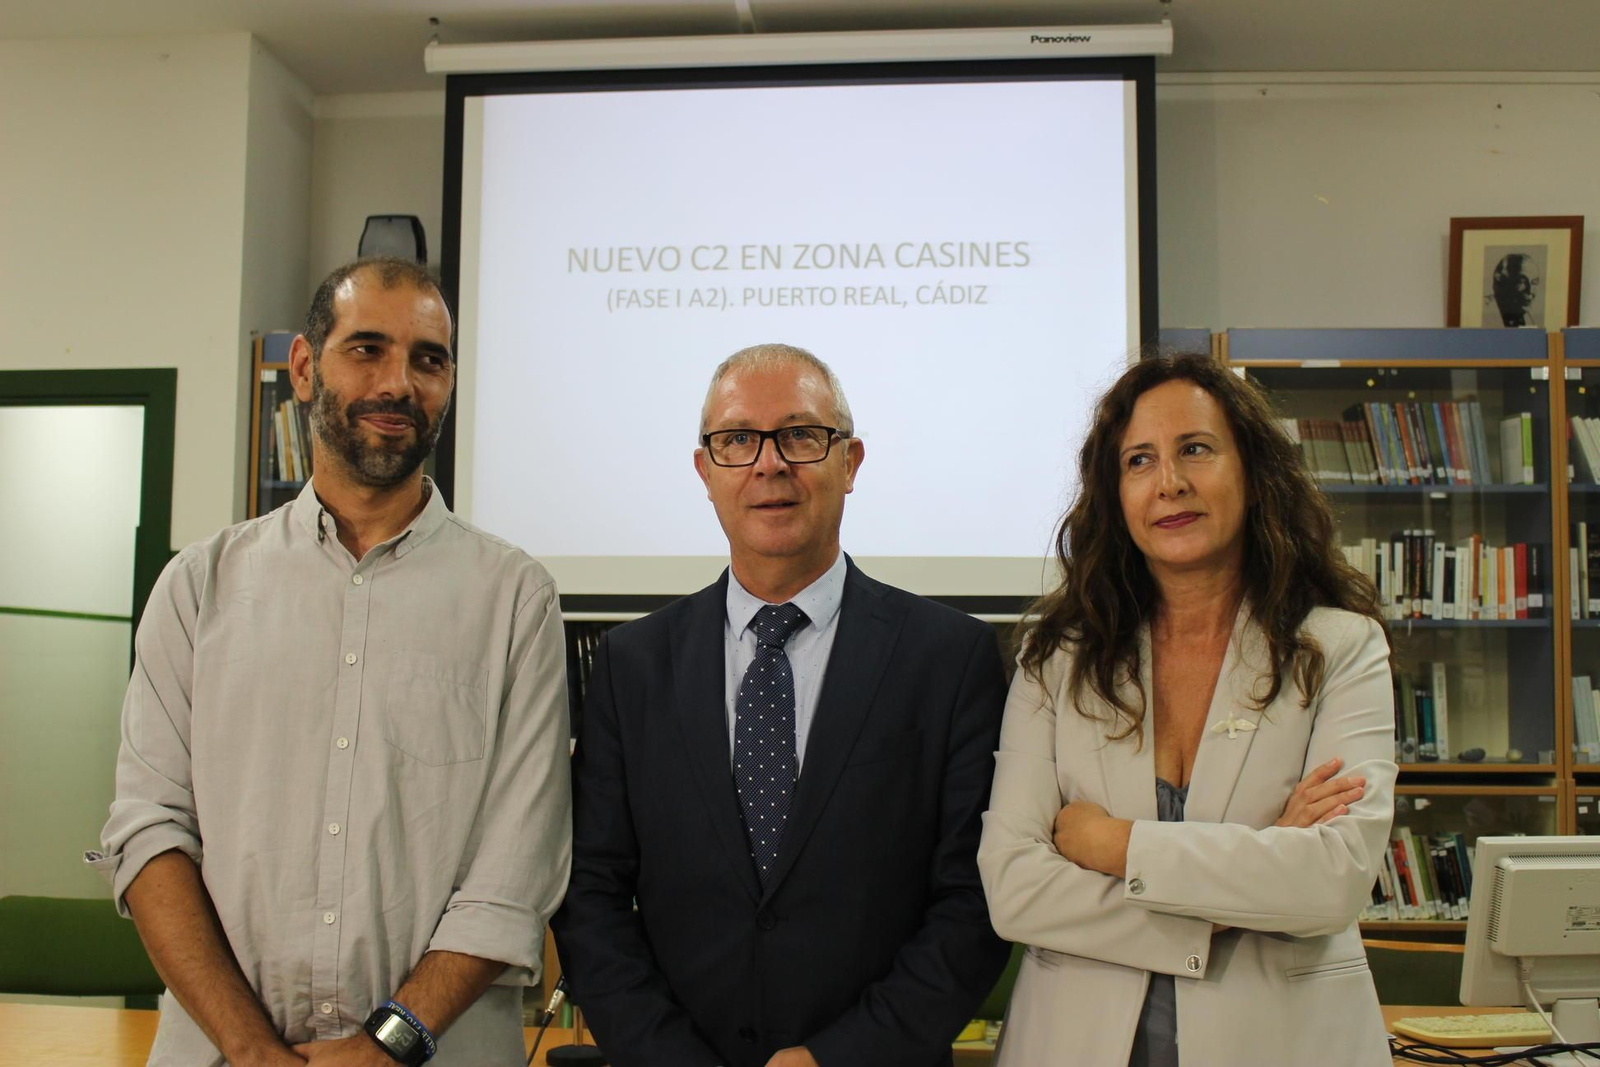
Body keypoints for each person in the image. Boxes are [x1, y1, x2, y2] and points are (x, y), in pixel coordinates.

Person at [90, 257, 572, 1066]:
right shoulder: (199, 586)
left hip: (437, 1052)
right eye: (368, 349)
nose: (399, 383)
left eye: (429, 358)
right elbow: (149, 831)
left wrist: (391, 1041)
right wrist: (248, 1047)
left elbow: (517, 867)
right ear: (306, 368)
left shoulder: (514, 598)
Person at [551, 343, 1010, 1067]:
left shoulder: (949, 659)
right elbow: (591, 898)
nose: (770, 464)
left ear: (850, 461)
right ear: (705, 471)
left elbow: (974, 904)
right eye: (737, 439)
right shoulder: (631, 666)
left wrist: (839, 1058)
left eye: (801, 435)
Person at [977, 352, 1396, 1066]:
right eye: (1139, 460)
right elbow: (1014, 886)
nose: (1169, 482)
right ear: (1116, 493)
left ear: (1252, 473)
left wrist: (1113, 846)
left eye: (1195, 450)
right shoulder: (1057, 659)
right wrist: (1233, 904)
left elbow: (1331, 880)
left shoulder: (1339, 648)